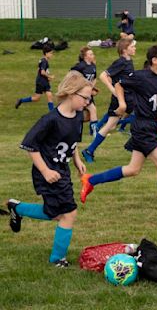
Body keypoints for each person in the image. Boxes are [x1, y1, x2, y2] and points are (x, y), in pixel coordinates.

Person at [80, 45, 157, 218]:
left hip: (151, 125)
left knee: (133, 169)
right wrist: (122, 104)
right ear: (154, 60)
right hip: (142, 126)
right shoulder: (140, 76)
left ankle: (90, 180)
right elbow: (119, 85)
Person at [7, 71, 92, 267]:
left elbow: (72, 143)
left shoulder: (78, 116)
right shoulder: (50, 120)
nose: (87, 102)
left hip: (62, 170)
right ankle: (57, 259)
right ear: (71, 93)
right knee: (69, 213)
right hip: (47, 172)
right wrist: (45, 171)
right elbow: (30, 146)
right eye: (85, 98)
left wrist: (77, 159)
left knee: (54, 213)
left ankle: (17, 208)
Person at [81, 38, 136, 163]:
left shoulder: (128, 61)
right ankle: (90, 150)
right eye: (132, 46)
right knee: (112, 125)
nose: (135, 48)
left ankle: (89, 150)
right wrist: (113, 91)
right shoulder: (121, 62)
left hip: (129, 98)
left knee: (113, 124)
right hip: (121, 99)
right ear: (124, 50)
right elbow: (103, 76)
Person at [15, 44, 55, 111]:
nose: (52, 55)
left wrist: (47, 78)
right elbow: (42, 72)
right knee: (37, 98)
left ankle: (52, 112)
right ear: (46, 53)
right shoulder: (44, 61)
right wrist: (49, 76)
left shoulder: (42, 60)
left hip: (43, 80)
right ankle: (21, 100)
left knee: (48, 95)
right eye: (51, 53)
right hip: (41, 82)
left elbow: (39, 70)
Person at [71, 46, 98, 136]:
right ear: (85, 56)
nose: (93, 55)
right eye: (90, 54)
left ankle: (91, 131)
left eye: (92, 53)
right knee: (89, 110)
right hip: (80, 94)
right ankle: (92, 133)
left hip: (88, 93)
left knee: (90, 113)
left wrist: (91, 87)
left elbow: (94, 78)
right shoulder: (80, 66)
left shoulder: (93, 66)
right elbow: (71, 75)